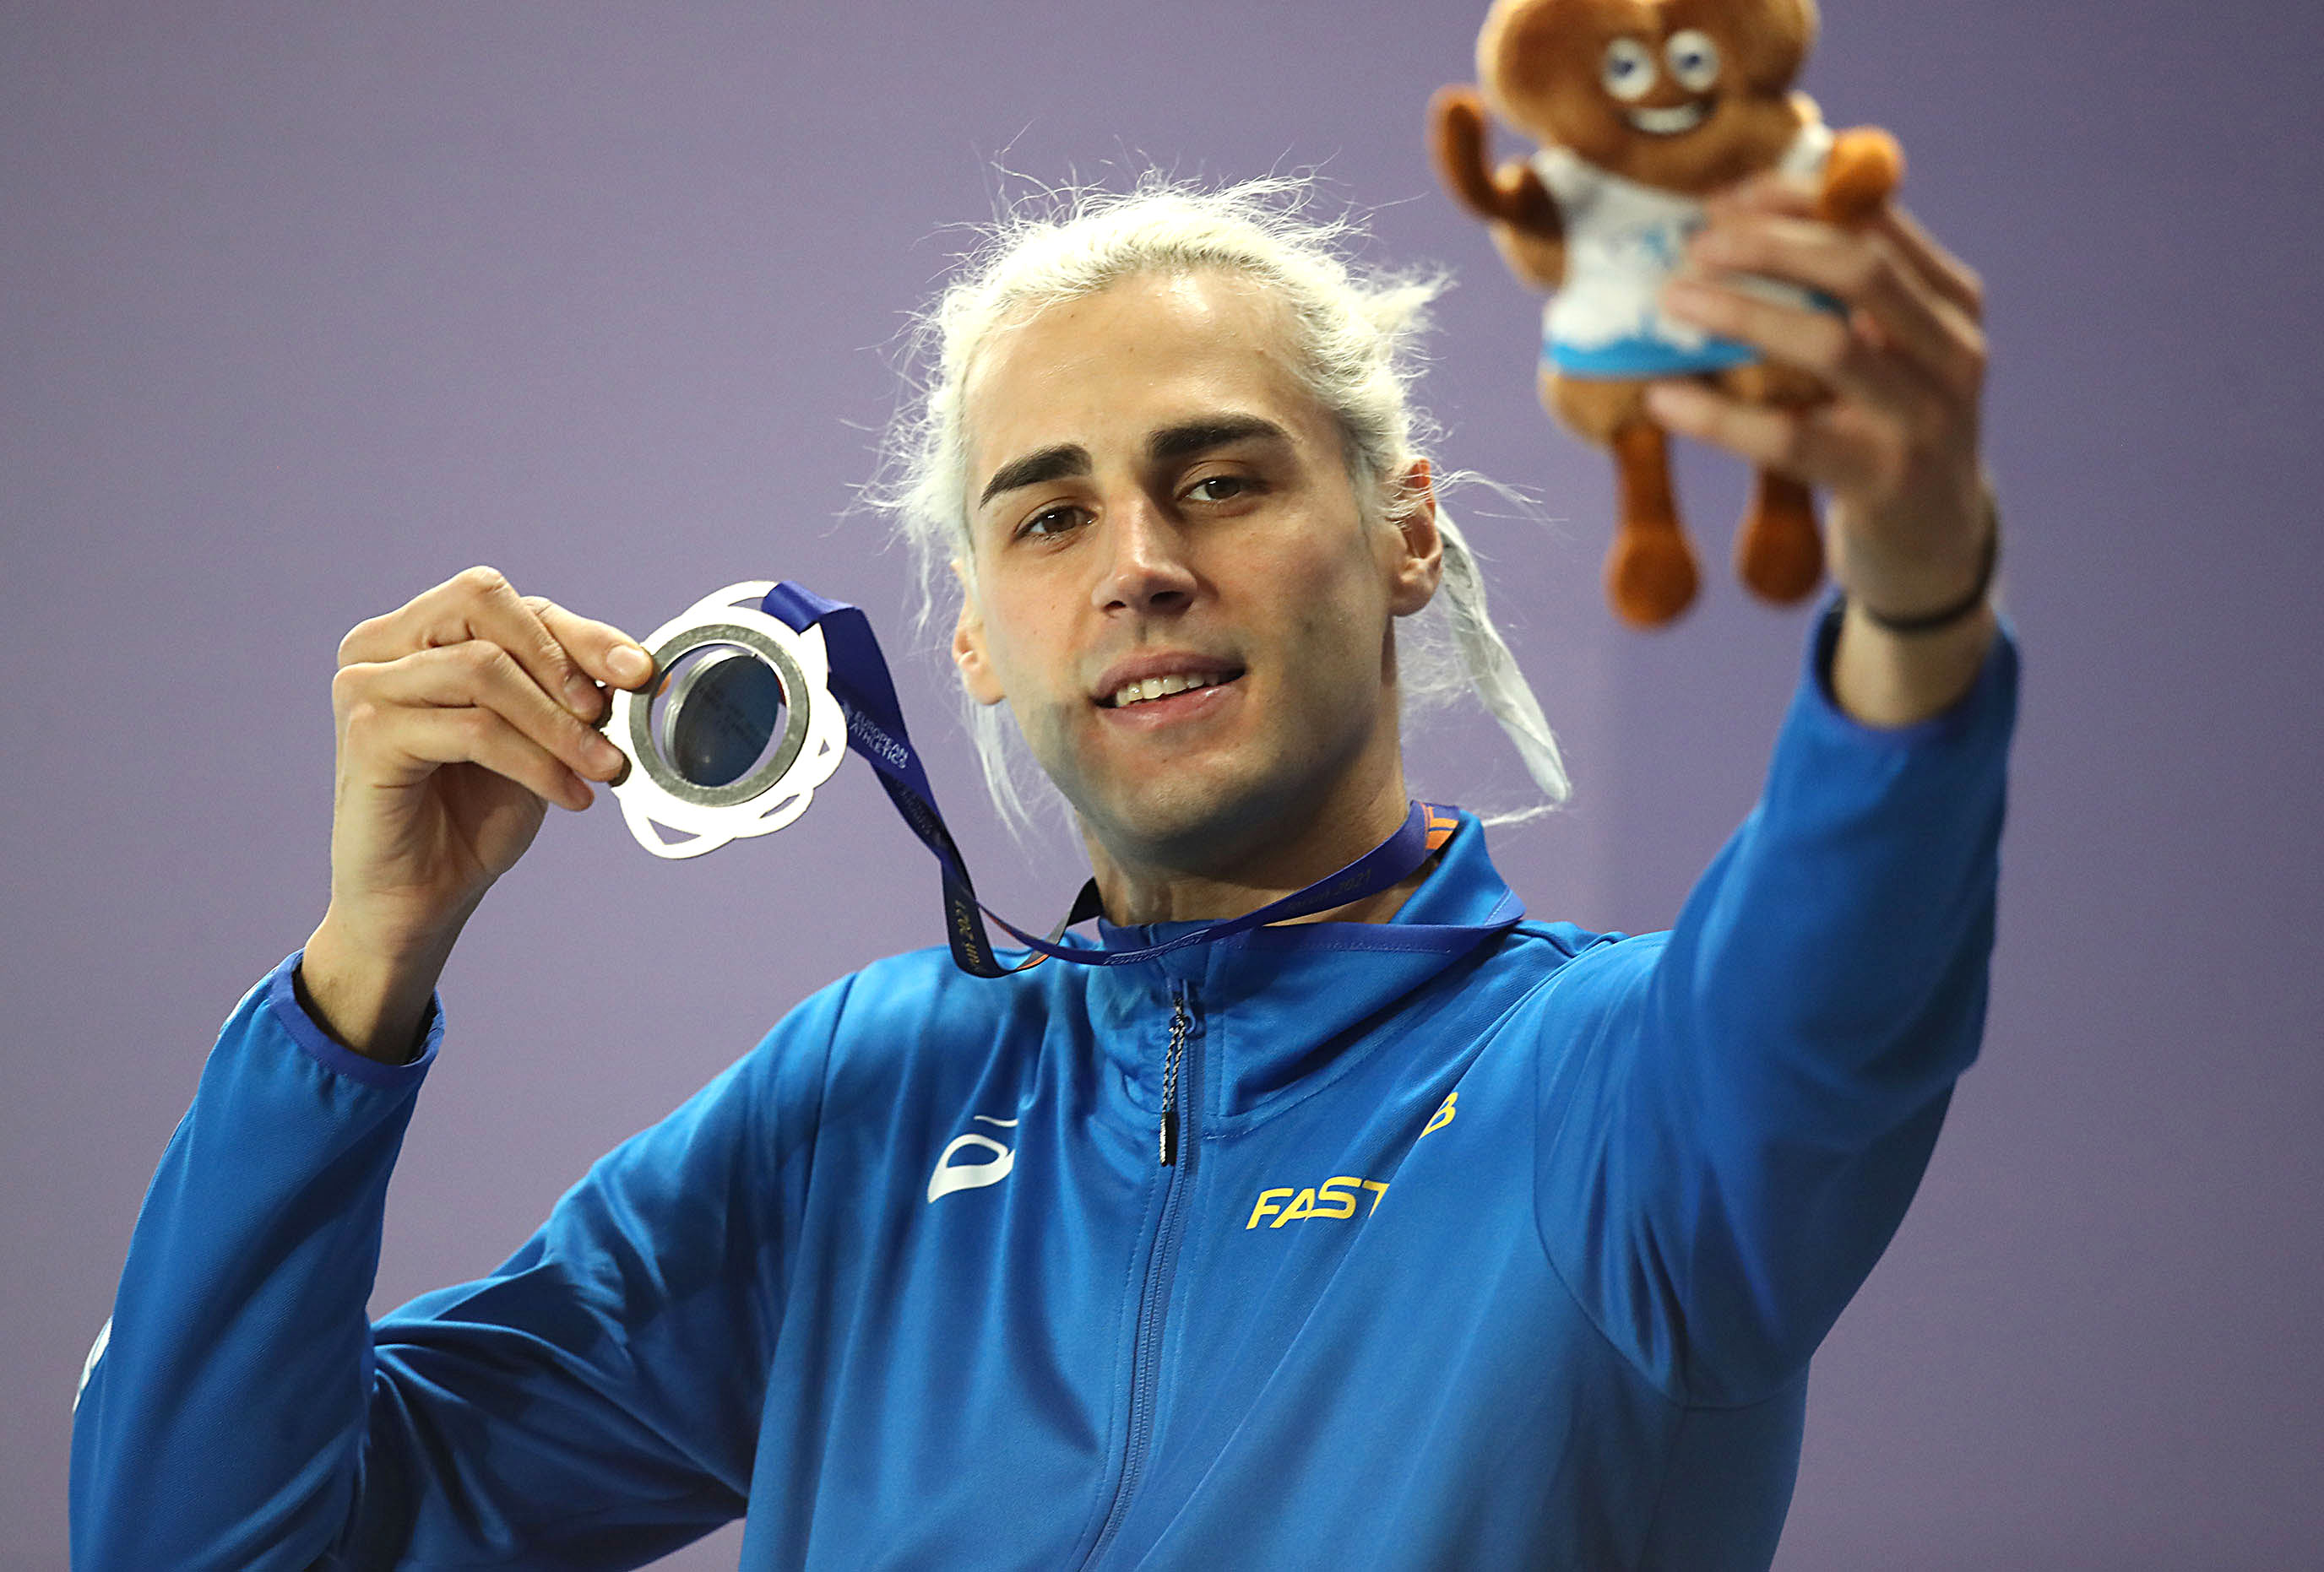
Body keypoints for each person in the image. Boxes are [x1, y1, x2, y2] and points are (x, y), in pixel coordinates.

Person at [69, 171, 2009, 1570]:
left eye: (1220, 479)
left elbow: (1837, 966)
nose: (1138, 564)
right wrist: (363, 968)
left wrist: (1915, 594)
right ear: (974, 636)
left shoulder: (1615, 1093)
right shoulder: (857, 1105)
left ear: (1403, 531)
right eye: (1049, 515)